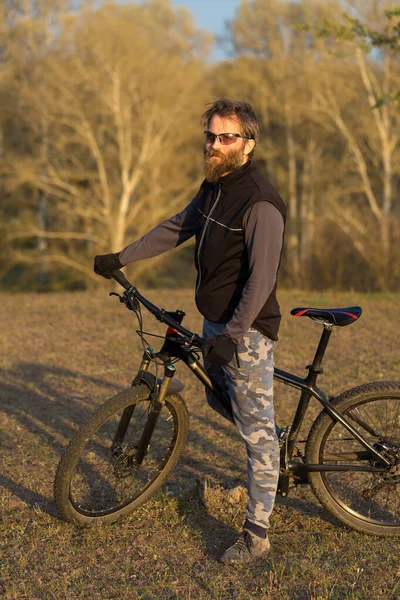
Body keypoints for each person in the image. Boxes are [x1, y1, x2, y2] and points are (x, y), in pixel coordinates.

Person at [94, 99, 286, 566]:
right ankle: (264, 429)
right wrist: (123, 257)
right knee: (222, 398)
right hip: (216, 323)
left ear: (248, 144)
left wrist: (233, 334)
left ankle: (257, 535)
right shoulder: (214, 187)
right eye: (211, 135)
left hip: (247, 331)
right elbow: (177, 227)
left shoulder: (260, 201)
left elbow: (261, 281)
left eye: (227, 137)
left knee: (257, 434)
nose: (215, 144)